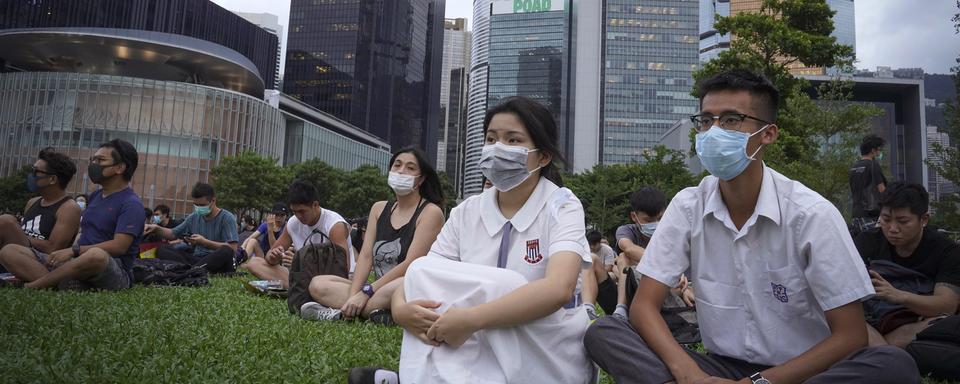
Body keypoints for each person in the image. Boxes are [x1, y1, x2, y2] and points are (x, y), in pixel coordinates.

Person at [584, 69, 919, 384]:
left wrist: (757, 382)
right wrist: (689, 374)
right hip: (719, 365)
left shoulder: (811, 215)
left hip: (803, 370)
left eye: (731, 120)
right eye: (705, 121)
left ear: (768, 134)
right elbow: (643, 306)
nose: (713, 132)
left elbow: (850, 335)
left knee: (893, 365)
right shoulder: (689, 205)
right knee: (605, 334)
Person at [350, 97, 593, 384]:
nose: (498, 148)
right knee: (422, 272)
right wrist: (401, 309)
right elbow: (424, 273)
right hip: (475, 342)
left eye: (513, 140)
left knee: (507, 286)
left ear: (543, 156)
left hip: (545, 346)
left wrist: (472, 319)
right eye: (491, 139)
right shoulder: (468, 210)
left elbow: (559, 289)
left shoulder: (561, 205)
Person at [300, 147, 445, 324]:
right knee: (318, 284)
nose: (401, 171)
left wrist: (367, 292)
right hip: (377, 291)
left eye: (410, 168)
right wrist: (355, 295)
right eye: (397, 165)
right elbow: (366, 256)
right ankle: (375, 313)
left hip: (407, 286)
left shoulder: (430, 212)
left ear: (421, 179)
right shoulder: (379, 208)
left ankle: (341, 313)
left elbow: (411, 264)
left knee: (401, 285)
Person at [1, 139, 145, 290]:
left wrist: (73, 250)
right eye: (93, 159)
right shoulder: (96, 196)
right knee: (9, 251)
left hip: (113, 269)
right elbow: (84, 232)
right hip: (77, 260)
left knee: (97, 255)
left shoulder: (131, 203)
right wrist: (72, 253)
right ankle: (64, 283)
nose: (93, 164)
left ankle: (33, 286)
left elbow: (119, 246)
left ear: (120, 167)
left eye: (100, 160)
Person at [854, 182, 959, 348]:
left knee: (944, 323)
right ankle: (888, 353)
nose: (892, 228)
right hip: (871, 321)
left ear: (924, 219)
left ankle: (882, 352)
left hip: (917, 321)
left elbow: (947, 305)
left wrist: (899, 295)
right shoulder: (867, 242)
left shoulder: (946, 250)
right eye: (885, 220)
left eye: (903, 221)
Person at [242, 179, 352, 288]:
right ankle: (302, 288)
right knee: (254, 263)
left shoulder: (335, 225)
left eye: (302, 211)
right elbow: (269, 257)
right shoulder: (293, 222)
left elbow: (342, 269)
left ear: (315, 205)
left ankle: (302, 289)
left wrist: (301, 262)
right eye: (294, 212)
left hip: (331, 279)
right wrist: (274, 256)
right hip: (303, 277)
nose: (298, 216)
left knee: (319, 285)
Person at [0, 148, 81, 275]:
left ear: (52, 179)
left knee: (6, 221)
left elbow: (53, 249)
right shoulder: (33, 202)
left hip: (41, 262)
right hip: (17, 252)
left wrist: (15, 232)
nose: (31, 175)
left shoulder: (69, 208)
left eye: (35, 171)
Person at [144, 182, 239, 274]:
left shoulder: (226, 218)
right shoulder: (193, 217)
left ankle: (191, 270)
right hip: (197, 259)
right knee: (162, 249)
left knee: (226, 251)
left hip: (217, 260)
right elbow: (173, 234)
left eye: (202, 205)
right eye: (196, 205)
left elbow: (233, 248)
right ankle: (194, 269)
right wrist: (156, 228)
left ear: (213, 201)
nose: (198, 208)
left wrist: (204, 242)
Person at [850, 134, 887, 232]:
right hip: (870, 215)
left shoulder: (854, 167)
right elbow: (882, 189)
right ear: (873, 150)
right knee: (874, 244)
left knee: (860, 245)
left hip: (855, 215)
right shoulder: (873, 165)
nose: (879, 153)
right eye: (879, 150)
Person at [581, 229, 617, 319]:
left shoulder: (607, 250)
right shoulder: (585, 250)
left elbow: (609, 267)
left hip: (605, 274)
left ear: (599, 242)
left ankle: (588, 309)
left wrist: (595, 269)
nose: (592, 247)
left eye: (594, 244)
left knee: (592, 260)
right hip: (588, 273)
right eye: (590, 244)